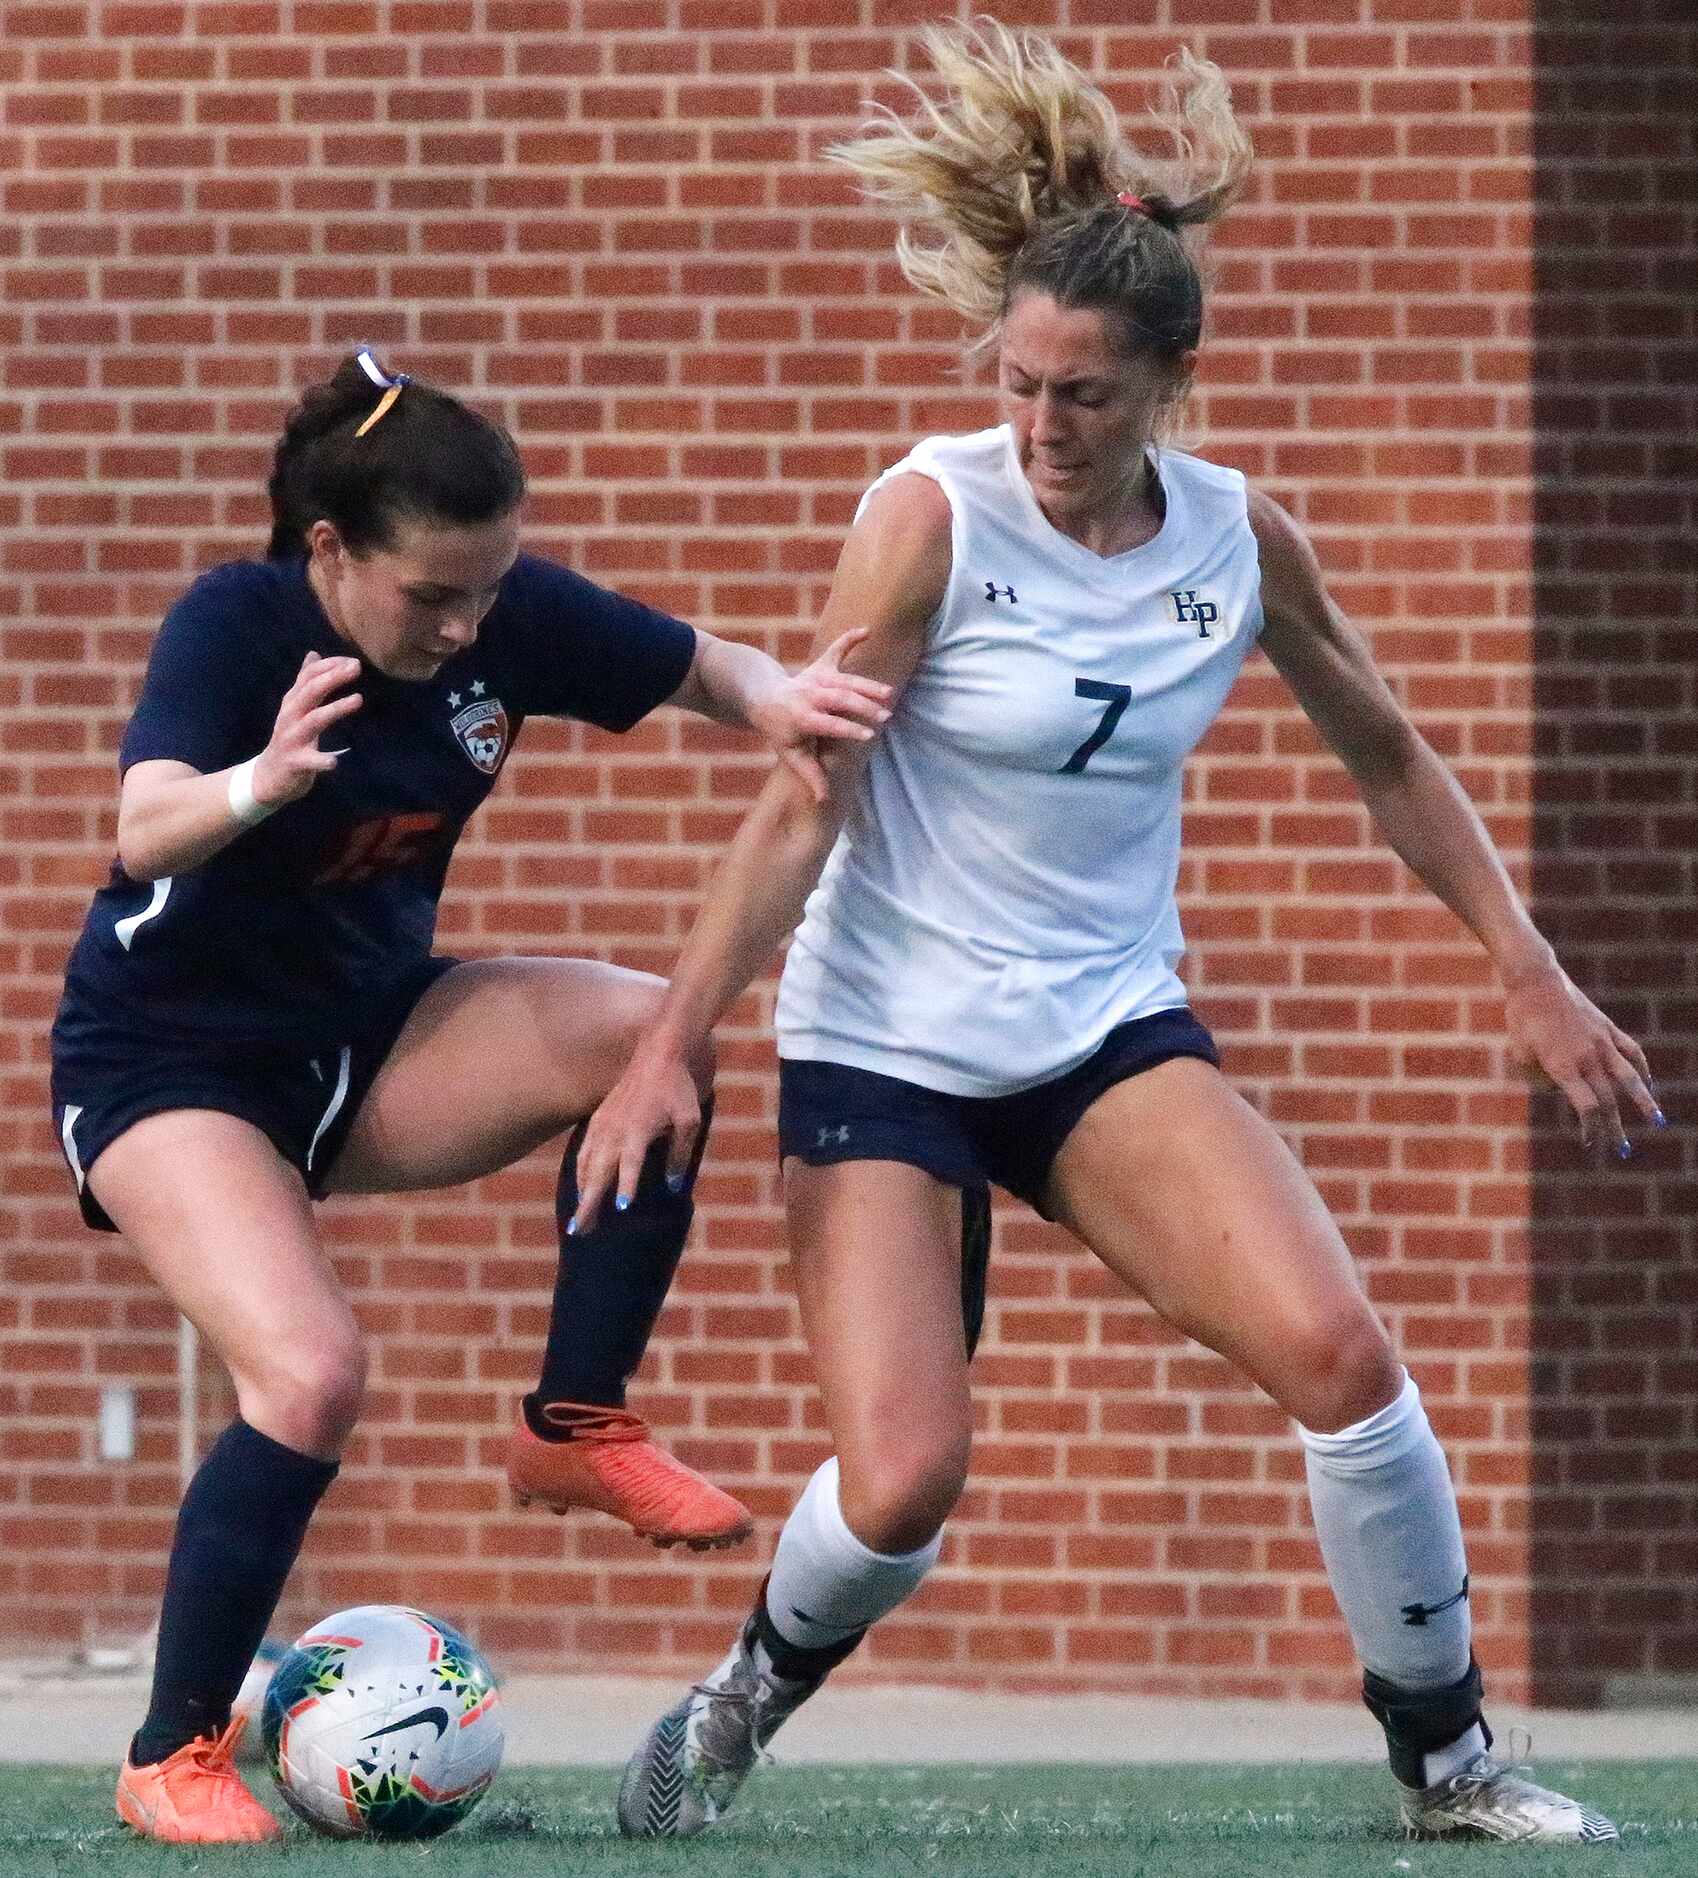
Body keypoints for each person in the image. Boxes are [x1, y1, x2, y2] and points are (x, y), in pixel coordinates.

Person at [569, 22, 1661, 1848]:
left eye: (1079, 395)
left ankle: (1450, 1766)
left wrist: (1528, 968)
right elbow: (801, 799)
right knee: (906, 1477)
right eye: (1017, 385)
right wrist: (676, 1034)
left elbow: (1385, 750)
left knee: (1344, 1359)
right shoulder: (929, 519)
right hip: (884, 1040)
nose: (1041, 427)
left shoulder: (1234, 539)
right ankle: (746, 1691)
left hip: (1098, 1034)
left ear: (1167, 381)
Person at [47, 347, 894, 1844]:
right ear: (331, 551)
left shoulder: (492, 619)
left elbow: (697, 663)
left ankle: (572, 1420)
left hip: (368, 1042)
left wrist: (786, 697)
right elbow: (142, 826)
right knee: (310, 1374)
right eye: (431, 595)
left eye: (486, 592)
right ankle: (171, 1750)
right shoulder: (240, 625)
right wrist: (262, 782)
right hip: (172, 1064)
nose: (464, 624)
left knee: (653, 1033)